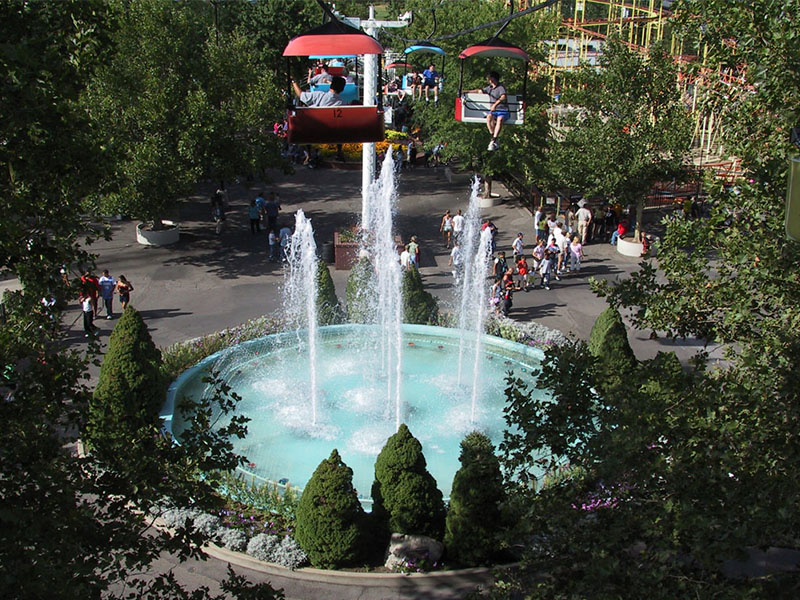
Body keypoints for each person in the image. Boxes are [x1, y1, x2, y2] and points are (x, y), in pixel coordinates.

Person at [465, 71, 509, 151]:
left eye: (490, 78)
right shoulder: (490, 88)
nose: (489, 79)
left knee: (500, 119)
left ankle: (494, 139)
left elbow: (503, 97)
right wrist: (466, 91)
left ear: (493, 78)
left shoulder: (501, 87)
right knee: (489, 117)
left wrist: (495, 105)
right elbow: (479, 91)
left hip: (502, 110)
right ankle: (493, 137)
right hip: (494, 112)